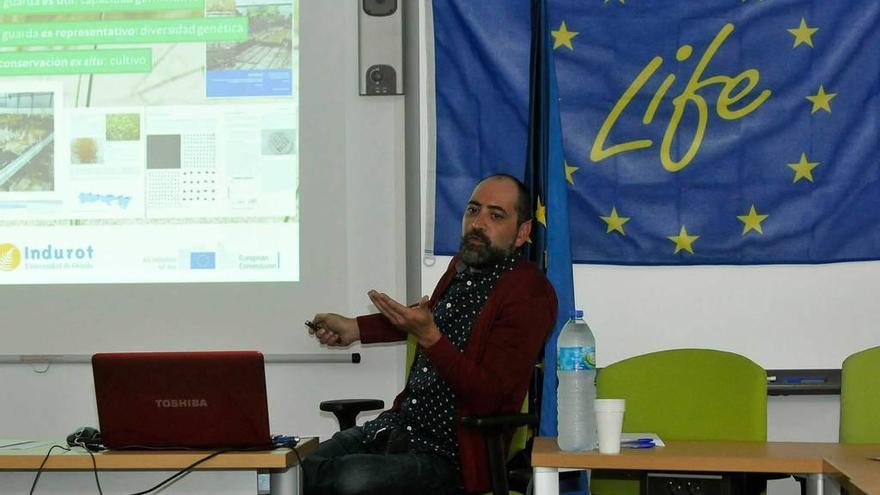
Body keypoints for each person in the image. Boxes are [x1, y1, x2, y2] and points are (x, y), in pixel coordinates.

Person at [304, 174, 558, 495]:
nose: (478, 223)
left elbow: (490, 396)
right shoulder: (459, 267)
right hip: (400, 427)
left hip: (451, 454)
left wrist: (432, 339)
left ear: (522, 232)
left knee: (347, 480)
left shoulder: (529, 293)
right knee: (300, 467)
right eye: (473, 210)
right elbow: (423, 319)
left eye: (495, 215)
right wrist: (355, 328)